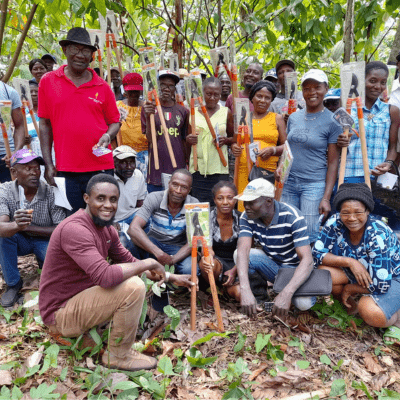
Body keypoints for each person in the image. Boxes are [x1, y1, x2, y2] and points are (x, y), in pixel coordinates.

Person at [38, 173, 195, 371]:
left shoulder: (106, 229)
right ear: (87, 199)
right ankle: (118, 355)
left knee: (133, 277)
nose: (108, 205)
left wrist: (171, 277)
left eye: (113, 200)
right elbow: (105, 276)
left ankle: (90, 334)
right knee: (133, 286)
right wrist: (149, 262)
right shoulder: (75, 229)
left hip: (80, 300)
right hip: (59, 313)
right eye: (100, 198)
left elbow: (129, 261)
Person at [38, 27, 121, 213]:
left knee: (102, 218)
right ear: (65, 50)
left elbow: (115, 122)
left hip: (101, 167)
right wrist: (49, 164)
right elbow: (44, 124)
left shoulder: (102, 86)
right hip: (66, 169)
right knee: (73, 221)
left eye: (85, 51)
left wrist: (108, 136)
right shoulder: (48, 81)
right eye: (75, 49)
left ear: (92, 56)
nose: (80, 55)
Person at [313, 183, 400, 344]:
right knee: (323, 273)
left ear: (368, 211)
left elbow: (381, 284)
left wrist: (351, 287)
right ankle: (350, 308)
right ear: (339, 212)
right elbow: (317, 254)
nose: (351, 218)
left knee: (370, 312)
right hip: (358, 272)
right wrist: (350, 262)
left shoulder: (377, 233)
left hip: (392, 278)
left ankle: (396, 319)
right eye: (345, 213)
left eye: (358, 212)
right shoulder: (334, 223)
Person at [235, 178, 314, 317]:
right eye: (244, 201)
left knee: (304, 304)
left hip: (294, 270)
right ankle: (260, 299)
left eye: (251, 202)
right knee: (239, 254)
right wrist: (245, 290)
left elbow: (307, 261)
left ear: (269, 201)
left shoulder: (292, 217)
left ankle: (285, 296)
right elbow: (243, 250)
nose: (246, 206)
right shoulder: (247, 216)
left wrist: (287, 293)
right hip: (273, 266)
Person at [279, 69, 341, 243]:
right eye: (307, 88)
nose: (311, 92)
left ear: (326, 89)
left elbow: (333, 162)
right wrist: (280, 168)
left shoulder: (333, 120)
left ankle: (309, 268)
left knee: (308, 233)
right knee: (287, 229)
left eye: (317, 87)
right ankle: (288, 268)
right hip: (289, 182)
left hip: (314, 185)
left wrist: (326, 198)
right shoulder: (293, 117)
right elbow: (288, 149)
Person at [337, 61, 400, 232]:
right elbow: (337, 143)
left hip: (379, 180)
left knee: (379, 224)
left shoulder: (391, 111)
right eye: (372, 81)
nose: (377, 86)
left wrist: (388, 163)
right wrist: (341, 141)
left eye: (382, 82)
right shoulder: (346, 108)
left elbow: (392, 147)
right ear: (362, 81)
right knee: (353, 224)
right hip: (351, 176)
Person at [0, 149, 67, 307]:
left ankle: (44, 263)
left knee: (57, 266)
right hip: (19, 239)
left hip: (44, 239)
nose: (34, 173)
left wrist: (27, 227)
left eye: (37, 168)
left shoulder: (51, 192)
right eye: (28, 168)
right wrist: (16, 226)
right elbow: (1, 227)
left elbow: (60, 228)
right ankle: (13, 284)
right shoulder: (5, 191)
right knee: (4, 237)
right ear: (14, 172)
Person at [128, 169, 198, 275]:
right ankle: (142, 278)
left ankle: (171, 284)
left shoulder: (195, 204)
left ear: (189, 190)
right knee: (131, 244)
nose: (178, 190)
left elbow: (194, 241)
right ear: (168, 183)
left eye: (184, 187)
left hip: (177, 247)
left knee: (190, 270)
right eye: (175, 185)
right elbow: (133, 228)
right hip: (154, 242)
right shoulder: (154, 197)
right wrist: (159, 254)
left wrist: (172, 260)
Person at [231, 80, 286, 211]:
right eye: (259, 96)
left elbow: (287, 147)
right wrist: (234, 148)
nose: (263, 100)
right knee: (244, 209)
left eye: (267, 98)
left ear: (272, 100)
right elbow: (235, 142)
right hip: (244, 171)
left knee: (264, 210)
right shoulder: (243, 117)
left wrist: (273, 150)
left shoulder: (277, 118)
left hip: (268, 173)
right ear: (252, 98)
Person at [186, 77, 234, 204]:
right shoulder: (192, 112)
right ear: (202, 93)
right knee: (198, 206)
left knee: (219, 206)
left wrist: (226, 140)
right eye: (208, 94)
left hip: (219, 168)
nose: (212, 98)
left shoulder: (226, 112)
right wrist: (188, 139)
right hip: (197, 169)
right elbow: (186, 140)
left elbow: (234, 137)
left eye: (216, 94)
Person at [141, 70, 189, 193]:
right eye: (163, 85)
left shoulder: (183, 111)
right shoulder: (148, 108)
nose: (166, 89)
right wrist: (148, 116)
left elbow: (184, 141)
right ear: (156, 86)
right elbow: (150, 140)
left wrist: (186, 165)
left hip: (177, 168)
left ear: (175, 89)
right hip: (156, 171)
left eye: (170, 86)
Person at [199, 181, 241, 301]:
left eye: (230, 198)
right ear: (214, 200)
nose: (225, 202)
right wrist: (208, 258)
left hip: (237, 265)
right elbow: (207, 248)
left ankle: (226, 290)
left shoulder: (242, 219)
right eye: (220, 198)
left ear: (236, 200)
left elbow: (246, 252)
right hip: (216, 262)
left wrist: (234, 271)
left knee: (239, 294)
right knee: (207, 262)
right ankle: (214, 289)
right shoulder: (206, 216)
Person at [113, 145, 146, 246]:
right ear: (114, 163)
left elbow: (140, 203)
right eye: (123, 162)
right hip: (113, 220)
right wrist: (109, 223)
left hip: (131, 215)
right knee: (123, 243)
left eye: (132, 162)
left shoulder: (138, 175)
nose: (129, 167)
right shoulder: (107, 178)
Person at [116, 73, 148, 178]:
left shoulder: (147, 107)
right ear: (125, 90)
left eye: (136, 91)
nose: (134, 94)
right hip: (123, 155)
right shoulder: (117, 106)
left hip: (145, 154)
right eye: (131, 91)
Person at [0, 82, 25, 183]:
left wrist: (15, 152)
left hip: (5, 156)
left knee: (11, 196)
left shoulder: (9, 91)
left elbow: (19, 126)